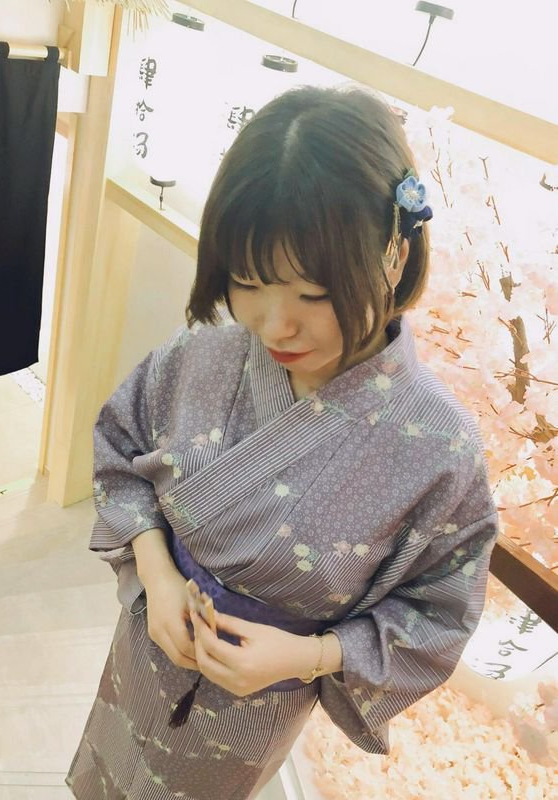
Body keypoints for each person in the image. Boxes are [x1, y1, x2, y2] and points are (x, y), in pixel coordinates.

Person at [66, 84, 499, 800]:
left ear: (394, 254)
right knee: (106, 775)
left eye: (314, 293)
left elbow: (438, 612)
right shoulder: (202, 356)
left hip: (257, 702)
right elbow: (120, 445)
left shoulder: (438, 447)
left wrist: (310, 654)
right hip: (146, 644)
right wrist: (158, 572)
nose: (275, 326)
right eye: (248, 282)